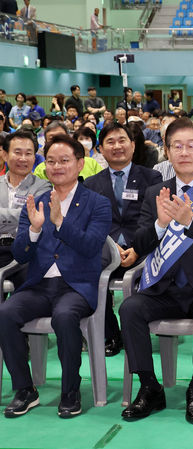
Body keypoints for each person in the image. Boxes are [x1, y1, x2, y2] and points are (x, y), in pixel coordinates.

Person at [119, 118, 193, 424]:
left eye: (191, 146)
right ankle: (150, 388)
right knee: (130, 308)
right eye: (176, 146)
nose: (184, 152)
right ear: (167, 152)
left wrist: (191, 221)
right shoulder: (155, 192)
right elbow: (140, 244)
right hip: (164, 288)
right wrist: (160, 223)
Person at [0, 133, 111, 418]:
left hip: (77, 286)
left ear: (79, 163)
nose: (57, 166)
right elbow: (21, 254)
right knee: (5, 313)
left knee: (64, 316)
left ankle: (70, 391)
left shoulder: (97, 203)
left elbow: (90, 246)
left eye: (64, 160)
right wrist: (35, 230)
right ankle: (25, 390)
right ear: (44, 166)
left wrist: (60, 222)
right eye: (50, 161)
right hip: (39, 285)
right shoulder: (36, 201)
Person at [84, 122, 163, 357]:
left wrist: (138, 249)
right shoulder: (91, 183)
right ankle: (111, 334)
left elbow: (155, 219)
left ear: (133, 145)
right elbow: (92, 224)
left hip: (143, 249)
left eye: (122, 140)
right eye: (110, 142)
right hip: (106, 250)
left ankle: (136, 331)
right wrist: (110, 248)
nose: (117, 146)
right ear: (101, 149)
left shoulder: (151, 176)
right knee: (87, 275)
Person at [0, 130, 51, 283]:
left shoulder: (43, 186)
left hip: (25, 249)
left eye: (28, 153)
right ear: (4, 155)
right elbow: (25, 216)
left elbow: (33, 217)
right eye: (17, 152)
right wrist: (21, 215)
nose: (23, 158)